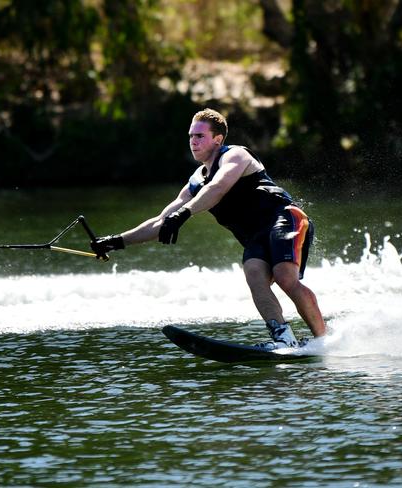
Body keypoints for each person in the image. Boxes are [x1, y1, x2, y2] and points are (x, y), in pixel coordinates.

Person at [91, 108, 326, 349]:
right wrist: (115, 241)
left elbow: (218, 187)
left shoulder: (236, 156)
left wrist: (184, 213)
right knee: (254, 273)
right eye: (191, 136)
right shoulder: (195, 182)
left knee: (286, 277)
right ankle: (284, 339)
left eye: (200, 136)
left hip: (285, 219)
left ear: (218, 139)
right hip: (256, 236)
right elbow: (161, 221)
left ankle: (323, 340)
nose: (193, 141)